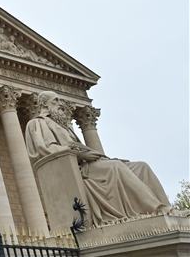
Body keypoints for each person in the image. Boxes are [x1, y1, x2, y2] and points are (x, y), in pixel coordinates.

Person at [25, 91, 187, 225]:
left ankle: (166, 210)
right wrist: (79, 154)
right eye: (56, 100)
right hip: (76, 168)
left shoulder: (64, 125)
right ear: (45, 104)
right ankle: (156, 209)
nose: (61, 103)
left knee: (141, 167)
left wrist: (98, 157)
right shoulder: (37, 124)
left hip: (90, 163)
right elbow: (46, 150)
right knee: (115, 167)